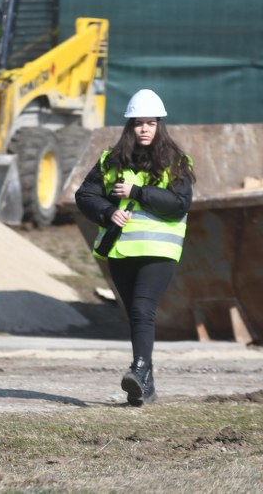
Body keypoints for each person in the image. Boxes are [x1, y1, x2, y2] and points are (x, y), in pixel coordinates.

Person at [74, 88, 195, 407]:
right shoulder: (110, 161)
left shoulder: (176, 162)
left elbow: (179, 204)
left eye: (151, 123)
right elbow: (85, 196)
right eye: (139, 123)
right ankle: (147, 385)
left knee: (142, 310)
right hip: (121, 250)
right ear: (130, 126)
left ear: (159, 126)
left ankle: (138, 369)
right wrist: (107, 212)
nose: (144, 129)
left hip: (158, 251)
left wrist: (137, 192)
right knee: (136, 315)